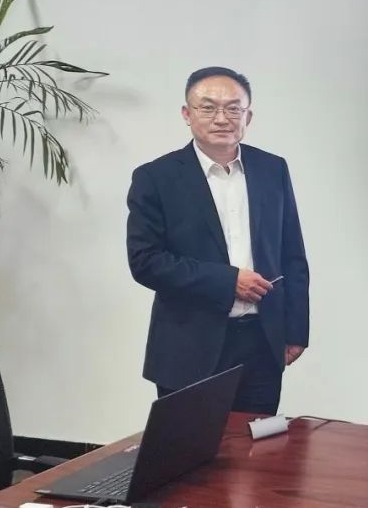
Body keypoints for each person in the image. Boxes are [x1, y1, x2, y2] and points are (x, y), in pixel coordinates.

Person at [126, 66, 310, 414]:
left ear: (248, 116)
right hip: (189, 344)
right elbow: (145, 261)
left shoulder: (272, 169)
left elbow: (292, 254)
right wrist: (229, 282)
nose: (222, 118)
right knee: (190, 444)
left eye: (233, 109)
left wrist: (296, 330)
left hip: (261, 341)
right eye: (208, 108)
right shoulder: (156, 177)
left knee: (257, 443)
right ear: (187, 114)